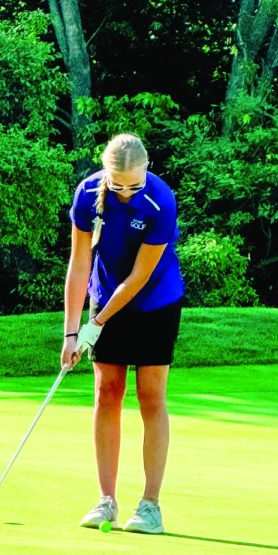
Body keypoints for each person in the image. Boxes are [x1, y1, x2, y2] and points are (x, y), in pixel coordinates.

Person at [63, 133, 185, 534]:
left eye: (134, 184)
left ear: (146, 170)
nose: (127, 192)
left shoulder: (160, 201)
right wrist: (71, 333)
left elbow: (138, 277)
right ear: (106, 172)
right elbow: (80, 264)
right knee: (106, 392)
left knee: (151, 396)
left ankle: (150, 506)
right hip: (104, 295)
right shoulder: (87, 195)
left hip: (155, 303)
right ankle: (106, 500)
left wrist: (95, 325)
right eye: (118, 185)